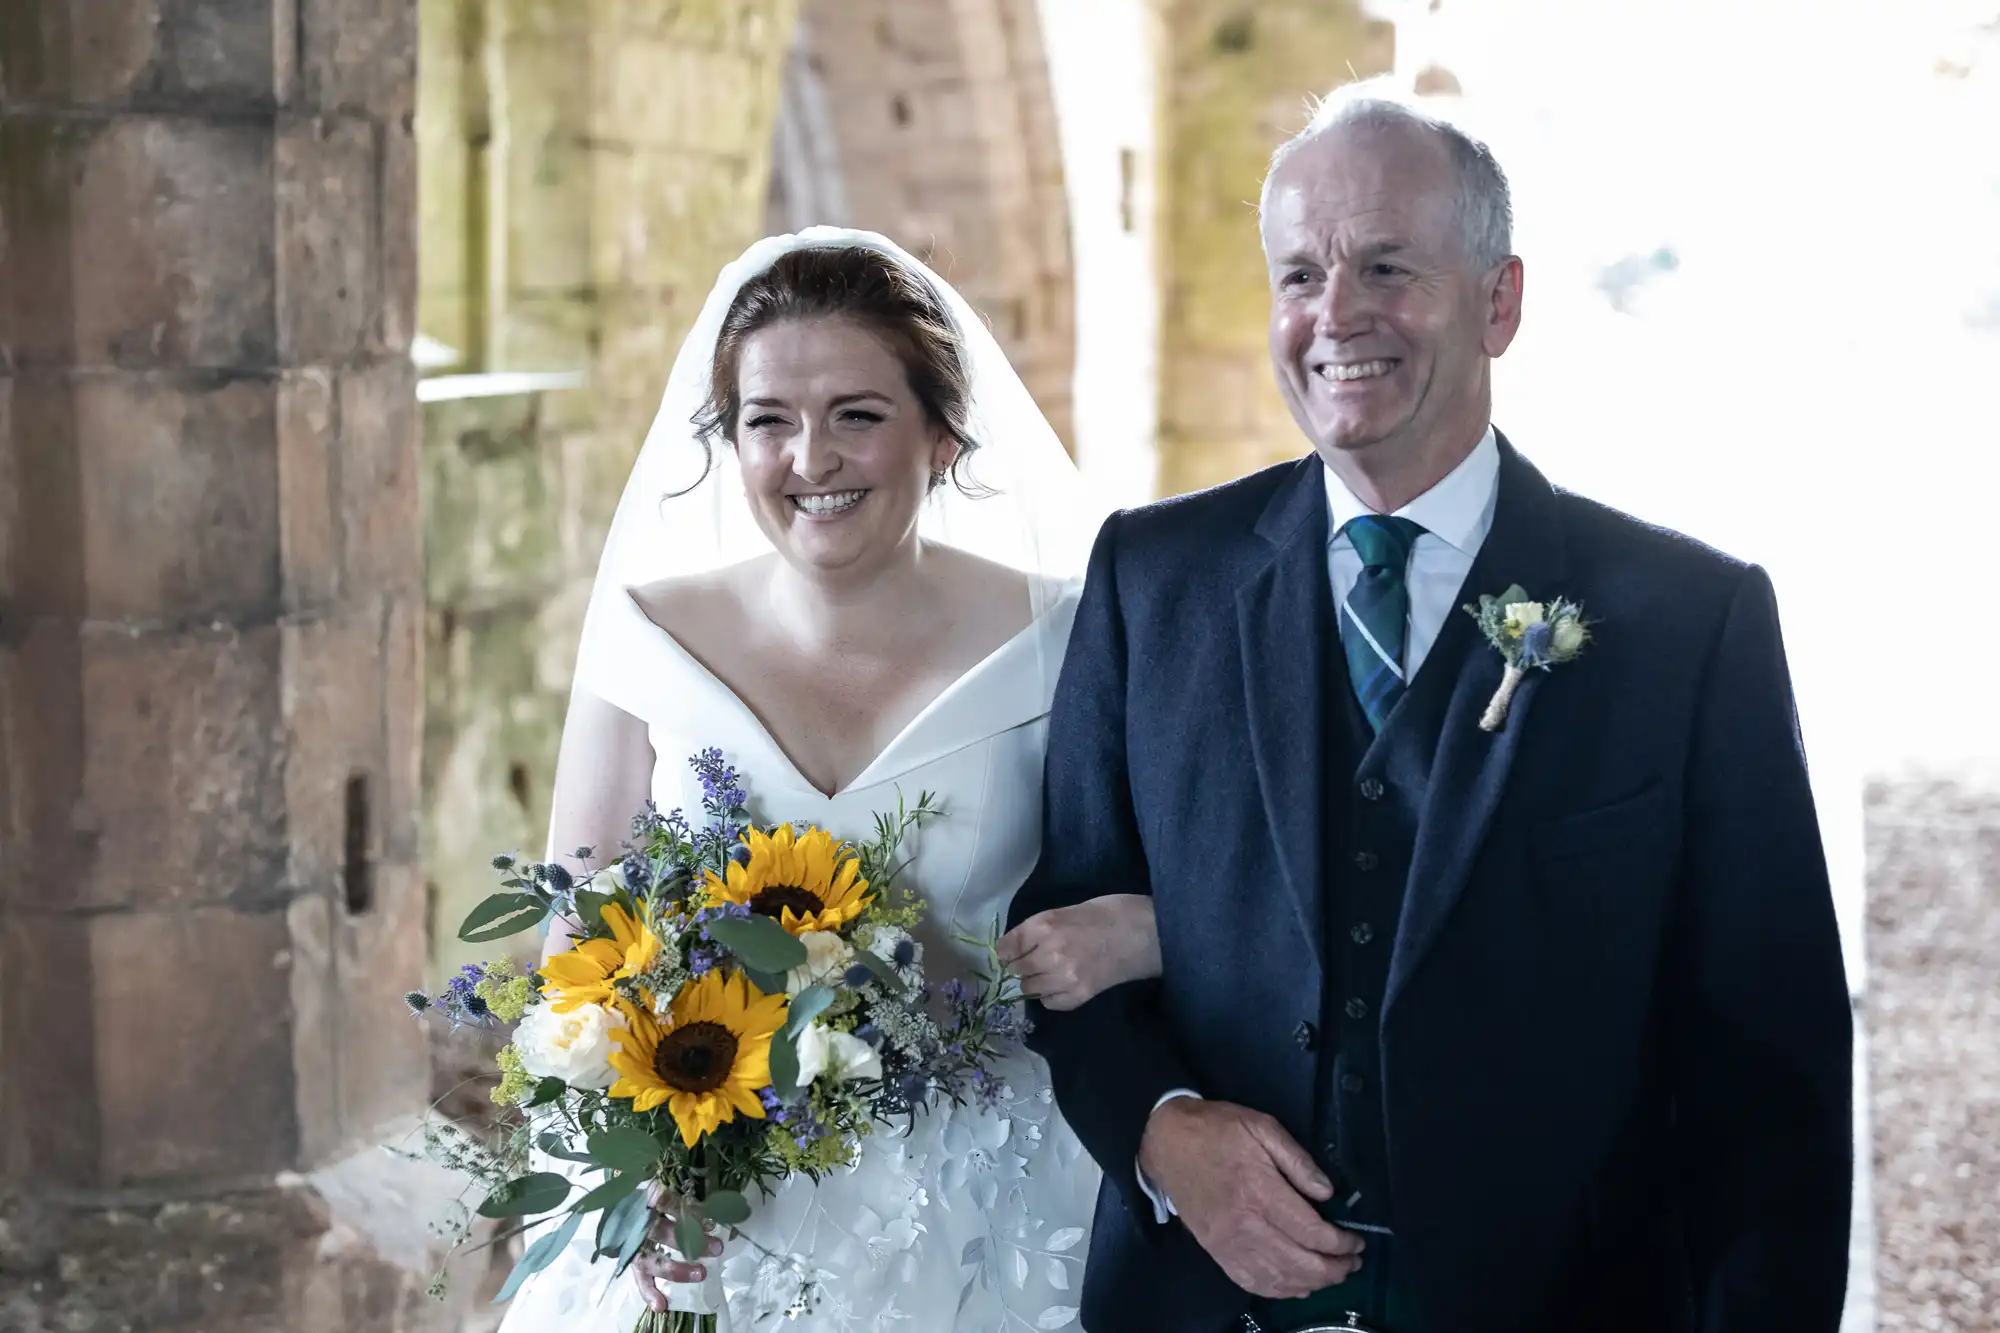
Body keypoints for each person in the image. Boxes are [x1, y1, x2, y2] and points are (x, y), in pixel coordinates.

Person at [1006, 80, 1853, 1333]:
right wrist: (1161, 1130)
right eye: (1298, 275)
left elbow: (1769, 1072)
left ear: (1498, 301)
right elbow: (1061, 945)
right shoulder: (1151, 578)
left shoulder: (1689, 622)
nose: (1335, 315)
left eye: (1386, 266)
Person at [495, 229, 1159, 1333]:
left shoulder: (1070, 631)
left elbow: (1189, 883)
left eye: (857, 414)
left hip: (990, 1195)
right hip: (720, 1192)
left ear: (941, 437)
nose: (810, 458)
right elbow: (579, 935)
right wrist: (631, 1178)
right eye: (767, 421)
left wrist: (1139, 931)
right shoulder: (651, 632)